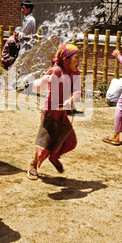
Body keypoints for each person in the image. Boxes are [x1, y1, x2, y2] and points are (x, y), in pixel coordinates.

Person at [28, 43, 81, 180]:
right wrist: (47, 80)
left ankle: (54, 156)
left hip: (62, 113)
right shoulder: (56, 70)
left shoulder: (76, 73)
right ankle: (33, 164)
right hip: (50, 113)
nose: (79, 60)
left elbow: (77, 91)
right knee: (45, 146)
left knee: (71, 142)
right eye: (76, 57)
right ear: (66, 60)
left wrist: (71, 100)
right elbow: (42, 83)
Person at [1, 1, 36, 69]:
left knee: (22, 64)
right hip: (24, 45)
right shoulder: (26, 19)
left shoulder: (30, 20)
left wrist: (18, 34)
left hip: (27, 46)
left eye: (23, 8)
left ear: (29, 9)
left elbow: (24, 34)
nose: (22, 10)